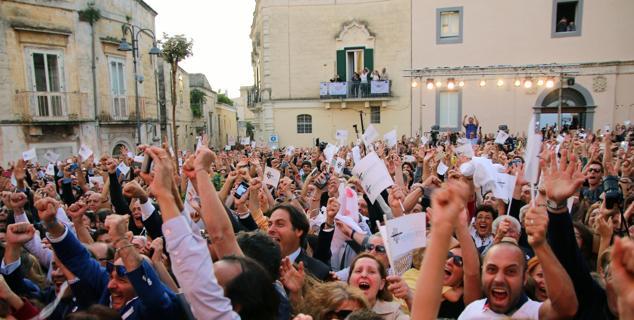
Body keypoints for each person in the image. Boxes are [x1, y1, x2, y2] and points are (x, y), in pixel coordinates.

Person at [268, 204, 330, 280]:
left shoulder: (318, 272)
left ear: (299, 231)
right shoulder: (259, 262)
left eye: (280, 224)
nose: (270, 230)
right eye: (269, 224)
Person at [347, 253, 409, 320]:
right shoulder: (337, 308)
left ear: (381, 284)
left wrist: (410, 297)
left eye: (371, 272)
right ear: (349, 280)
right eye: (358, 271)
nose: (364, 275)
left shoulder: (393, 313)